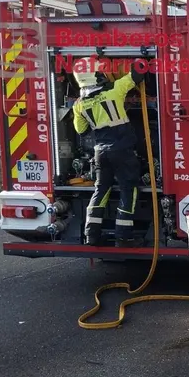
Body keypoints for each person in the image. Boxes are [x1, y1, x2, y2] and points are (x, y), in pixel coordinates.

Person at [73, 59, 149, 248]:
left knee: (101, 189)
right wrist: (143, 57)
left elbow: (81, 130)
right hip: (122, 151)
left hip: (100, 153)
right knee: (128, 188)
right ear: (98, 75)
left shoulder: (79, 105)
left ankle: (91, 235)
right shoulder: (115, 90)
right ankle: (124, 236)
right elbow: (137, 74)